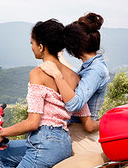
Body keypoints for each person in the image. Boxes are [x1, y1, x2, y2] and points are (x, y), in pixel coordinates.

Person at [0, 19, 98, 168]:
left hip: (44, 142)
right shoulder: (75, 76)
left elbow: (33, 123)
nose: (31, 47)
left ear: (41, 46)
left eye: (32, 43)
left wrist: (3, 132)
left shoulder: (37, 74)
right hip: (64, 143)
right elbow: (88, 123)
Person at [38, 13, 109, 167]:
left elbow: (75, 103)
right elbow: (79, 78)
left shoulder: (96, 70)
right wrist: (60, 59)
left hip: (81, 136)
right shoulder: (89, 66)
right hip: (74, 131)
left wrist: (57, 75)